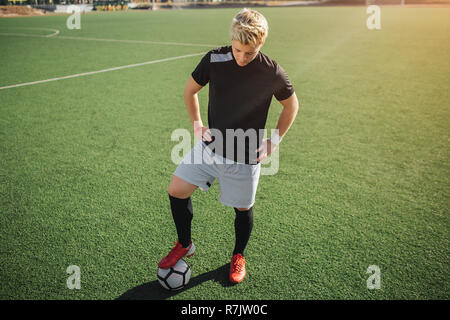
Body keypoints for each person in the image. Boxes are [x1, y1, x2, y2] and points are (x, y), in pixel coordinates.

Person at [158, 8, 299, 284]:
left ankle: (238, 254)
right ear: (231, 39)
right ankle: (185, 243)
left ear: (261, 44)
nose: (242, 57)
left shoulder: (271, 70)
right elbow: (190, 90)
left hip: (245, 155)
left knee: (243, 209)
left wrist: (274, 141)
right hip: (210, 147)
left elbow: (291, 105)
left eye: (250, 52)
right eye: (237, 50)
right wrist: (197, 123)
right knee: (176, 191)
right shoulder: (215, 59)